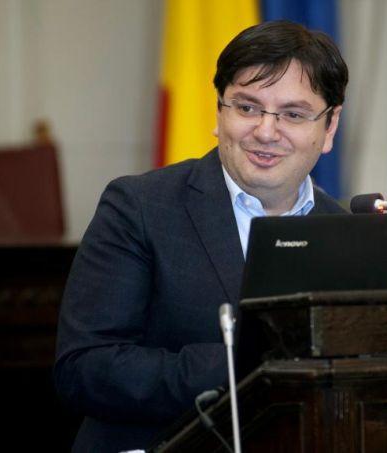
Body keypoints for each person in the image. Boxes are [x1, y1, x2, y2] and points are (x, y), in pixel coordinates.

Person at [54, 20, 349, 452]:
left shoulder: (344, 231)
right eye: (247, 107)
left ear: (330, 127)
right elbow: (83, 367)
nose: (266, 132)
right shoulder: (139, 207)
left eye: (293, 114)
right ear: (219, 112)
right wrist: (238, 367)